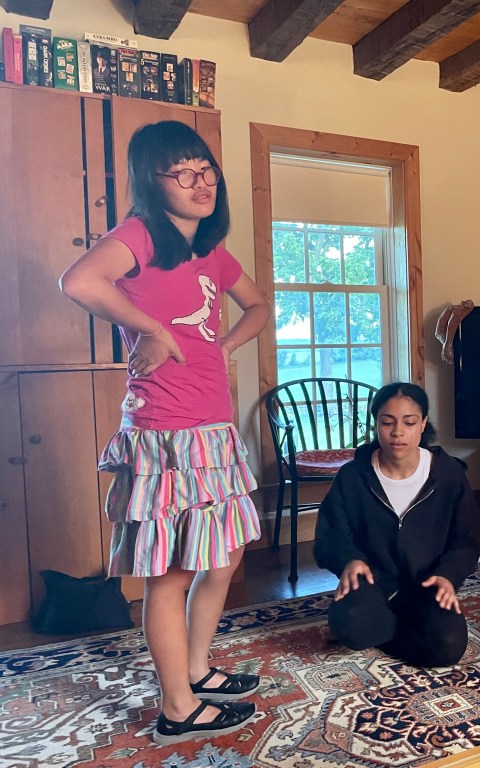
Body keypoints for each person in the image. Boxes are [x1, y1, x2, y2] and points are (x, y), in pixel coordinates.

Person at [59, 121, 270, 745]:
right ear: (152, 181)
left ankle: (197, 670)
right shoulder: (139, 235)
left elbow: (259, 306)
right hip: (167, 435)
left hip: (214, 430)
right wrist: (152, 329)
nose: (200, 182)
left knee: (225, 557)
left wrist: (223, 346)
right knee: (171, 574)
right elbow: (78, 281)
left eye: (206, 170)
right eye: (182, 172)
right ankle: (177, 706)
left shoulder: (210, 248)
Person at [314, 382, 480, 667]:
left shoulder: (447, 474)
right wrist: (349, 560)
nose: (398, 432)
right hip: (371, 585)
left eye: (409, 422)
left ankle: (380, 631)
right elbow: (331, 534)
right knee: (354, 623)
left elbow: (469, 537)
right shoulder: (353, 476)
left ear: (423, 424)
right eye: (387, 422)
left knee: (447, 646)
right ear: (375, 424)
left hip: (426, 585)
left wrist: (448, 575)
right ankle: (369, 628)